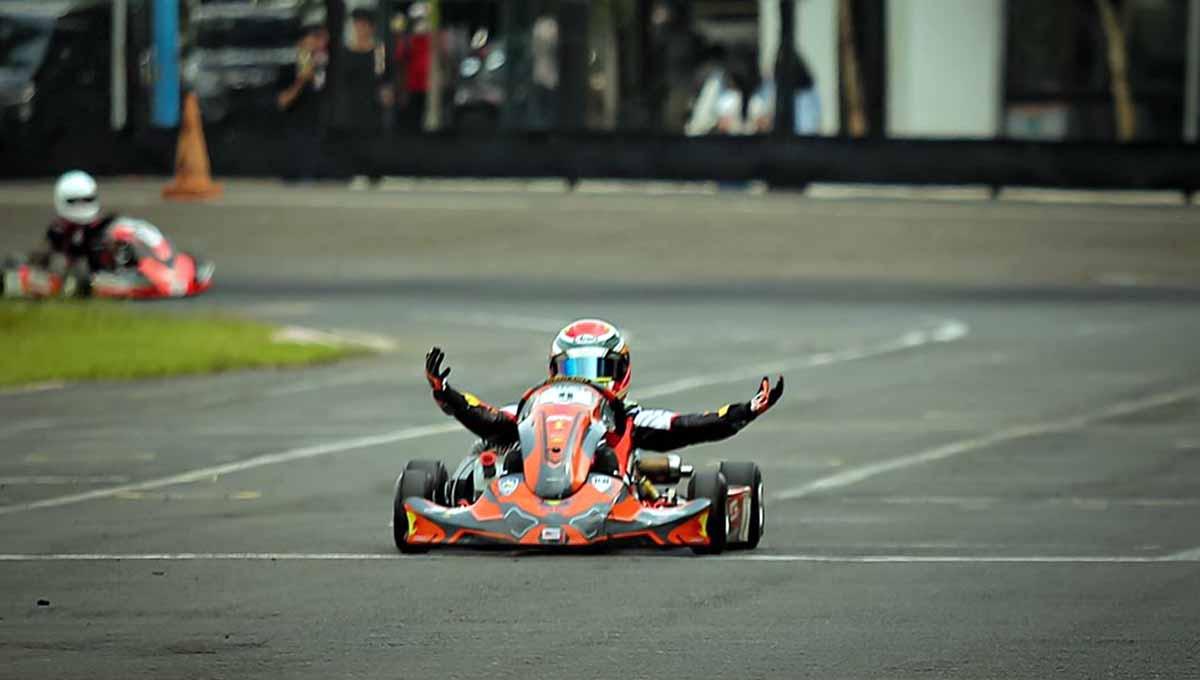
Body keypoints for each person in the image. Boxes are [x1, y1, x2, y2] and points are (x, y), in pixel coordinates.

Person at [423, 319, 784, 475]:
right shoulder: (532, 412)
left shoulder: (629, 418)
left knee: (613, 460)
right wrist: (447, 394)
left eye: (599, 367)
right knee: (495, 450)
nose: (585, 377)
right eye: (574, 366)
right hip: (526, 490)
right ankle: (500, 490)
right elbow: (484, 415)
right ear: (555, 369)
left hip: (607, 492)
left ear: (620, 371)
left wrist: (746, 410)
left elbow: (690, 425)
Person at [276, 16, 330, 180]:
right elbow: (282, 101)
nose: (318, 44)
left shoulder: (323, 66)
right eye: (314, 39)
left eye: (321, 40)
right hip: (295, 125)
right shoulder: (288, 67)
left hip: (316, 126)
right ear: (301, 42)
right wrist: (301, 81)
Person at [40, 171, 117, 272]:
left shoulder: (107, 226)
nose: (81, 206)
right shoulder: (57, 233)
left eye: (86, 199)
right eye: (74, 201)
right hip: (84, 277)